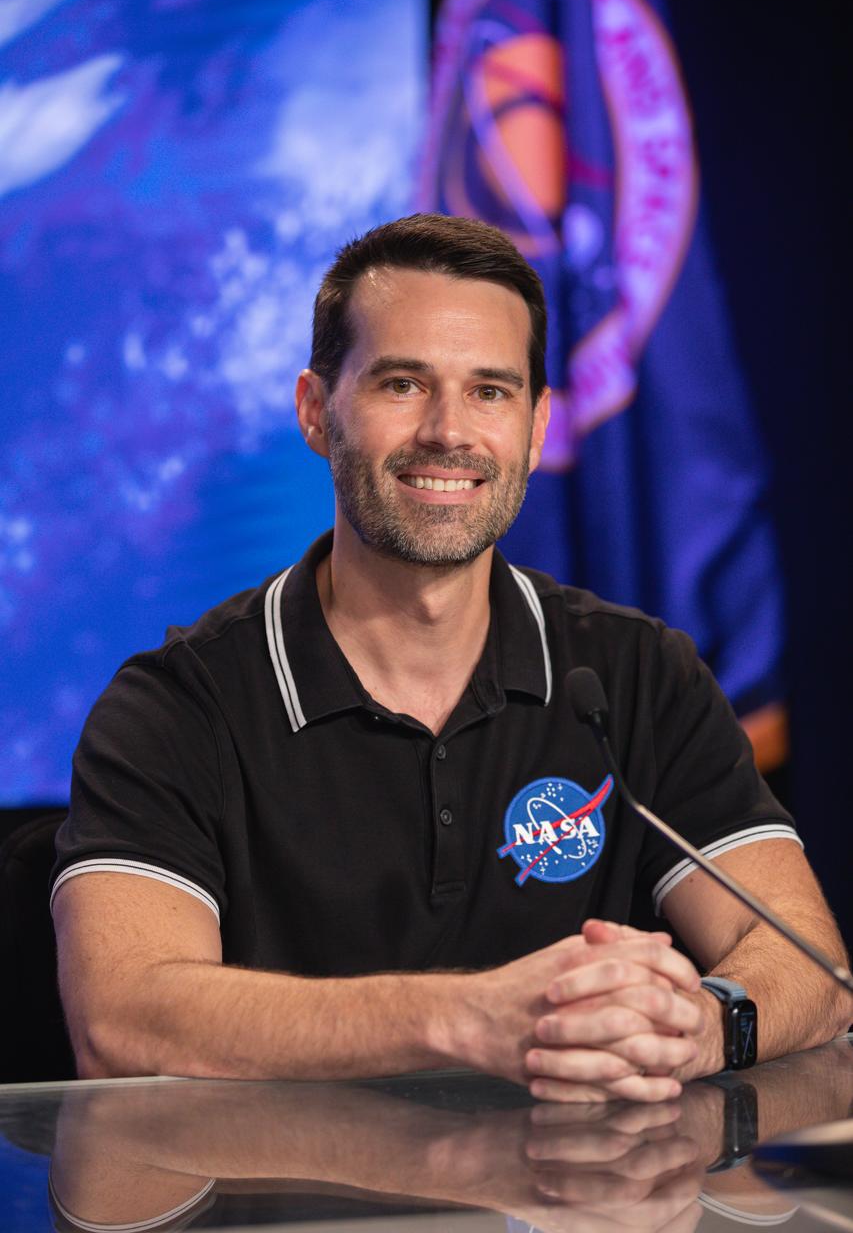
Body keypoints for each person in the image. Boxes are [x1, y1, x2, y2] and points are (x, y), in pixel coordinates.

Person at [52, 214, 851, 1100]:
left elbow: (810, 969)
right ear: (316, 410)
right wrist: (461, 1018)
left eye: (490, 392)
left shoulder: (637, 675)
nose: (448, 432)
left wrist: (702, 1025)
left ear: (537, 426)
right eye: (402, 384)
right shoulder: (175, 705)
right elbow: (122, 1024)